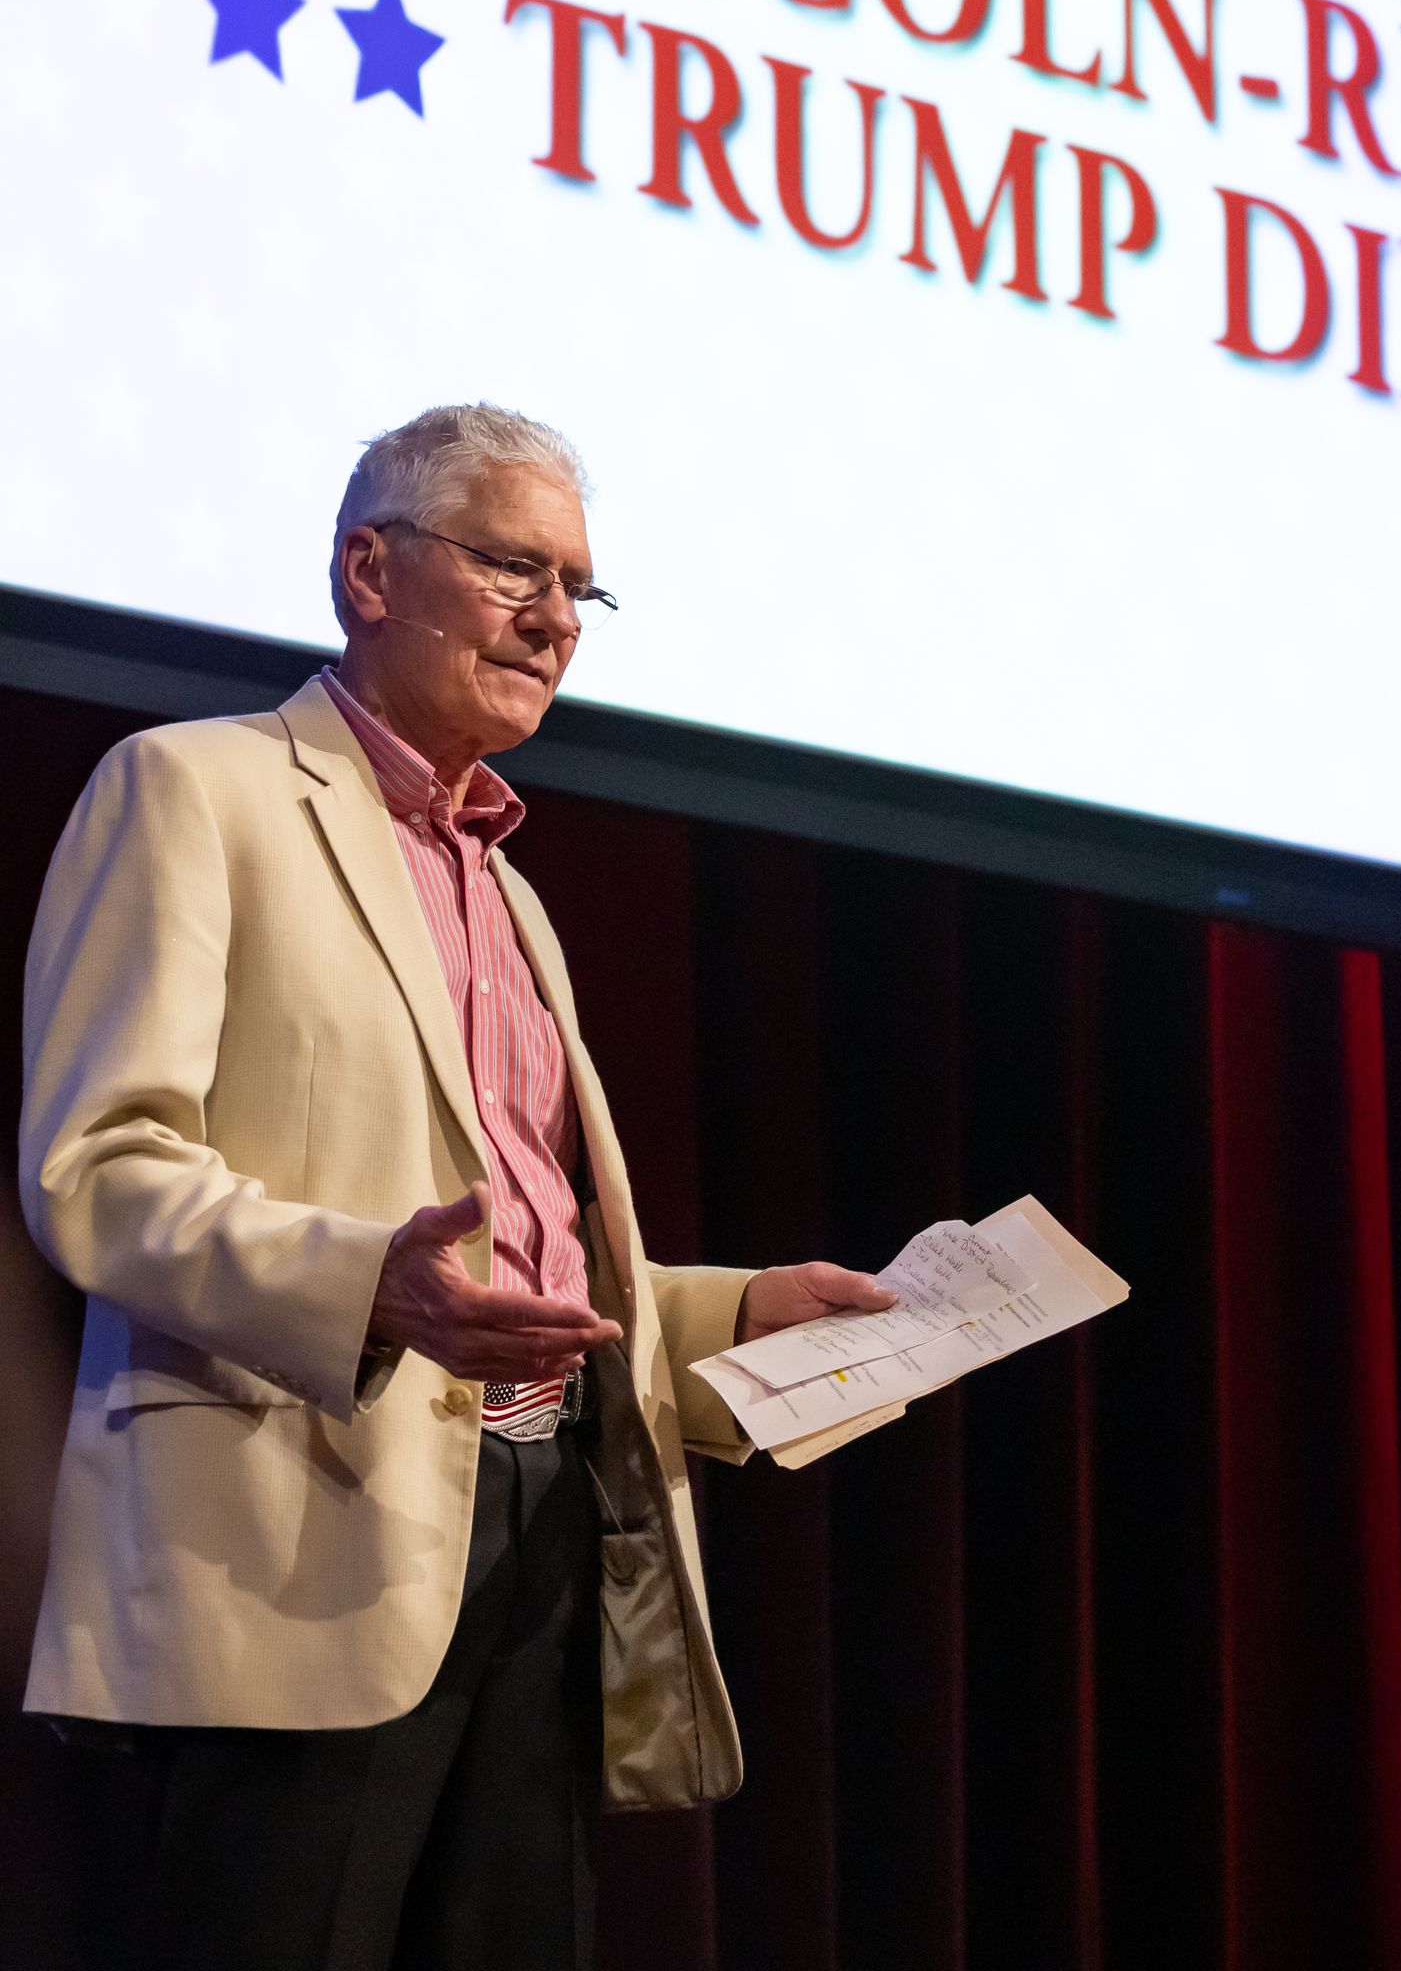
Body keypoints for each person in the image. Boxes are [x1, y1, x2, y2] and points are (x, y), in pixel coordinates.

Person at [17, 403, 893, 1971]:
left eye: (580, 590)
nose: (557, 620)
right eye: (512, 569)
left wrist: (736, 1312)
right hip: (298, 1545)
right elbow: (99, 1169)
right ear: (368, 568)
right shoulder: (194, 791)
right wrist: (371, 1286)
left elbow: (528, 1258)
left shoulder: (515, 894)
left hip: (542, 1533)